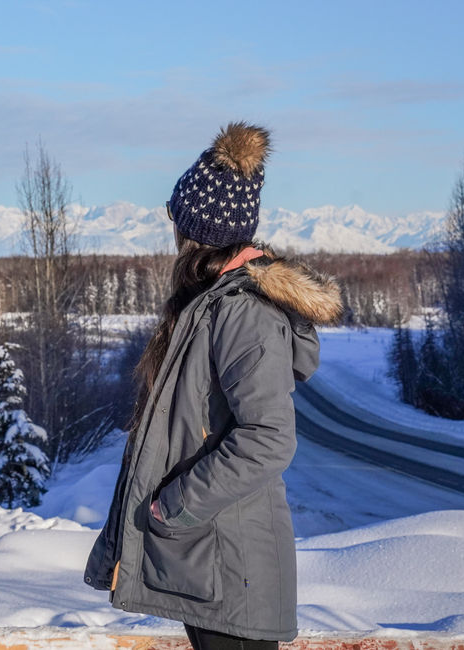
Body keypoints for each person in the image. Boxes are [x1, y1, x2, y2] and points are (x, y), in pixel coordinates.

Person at [83, 122, 343, 648]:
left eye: (179, 223)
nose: (174, 235)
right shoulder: (211, 305)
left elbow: (268, 438)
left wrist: (172, 506)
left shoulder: (242, 314)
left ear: (197, 232)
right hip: (212, 562)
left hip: (232, 566)